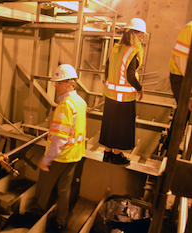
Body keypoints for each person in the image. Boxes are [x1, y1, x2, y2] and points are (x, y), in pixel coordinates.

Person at [30, 64, 87, 231]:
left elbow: (60, 138)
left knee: (44, 187)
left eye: (59, 82)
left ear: (70, 83)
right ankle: (61, 221)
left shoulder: (65, 106)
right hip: (75, 155)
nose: (55, 85)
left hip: (60, 156)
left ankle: (36, 214)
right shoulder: (80, 102)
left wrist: (46, 160)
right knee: (64, 190)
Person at [99, 18, 145, 165]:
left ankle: (107, 153)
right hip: (125, 98)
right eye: (140, 34)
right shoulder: (132, 52)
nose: (141, 37)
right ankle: (117, 155)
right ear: (133, 34)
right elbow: (130, 76)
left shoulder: (116, 49)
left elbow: (107, 69)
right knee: (122, 126)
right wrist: (140, 88)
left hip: (111, 95)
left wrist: (110, 84)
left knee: (110, 124)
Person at [162, 21, 192, 153]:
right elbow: (181, 60)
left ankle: (171, 146)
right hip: (181, 76)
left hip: (187, 77)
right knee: (184, 110)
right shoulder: (189, 29)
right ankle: (170, 149)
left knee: (184, 112)